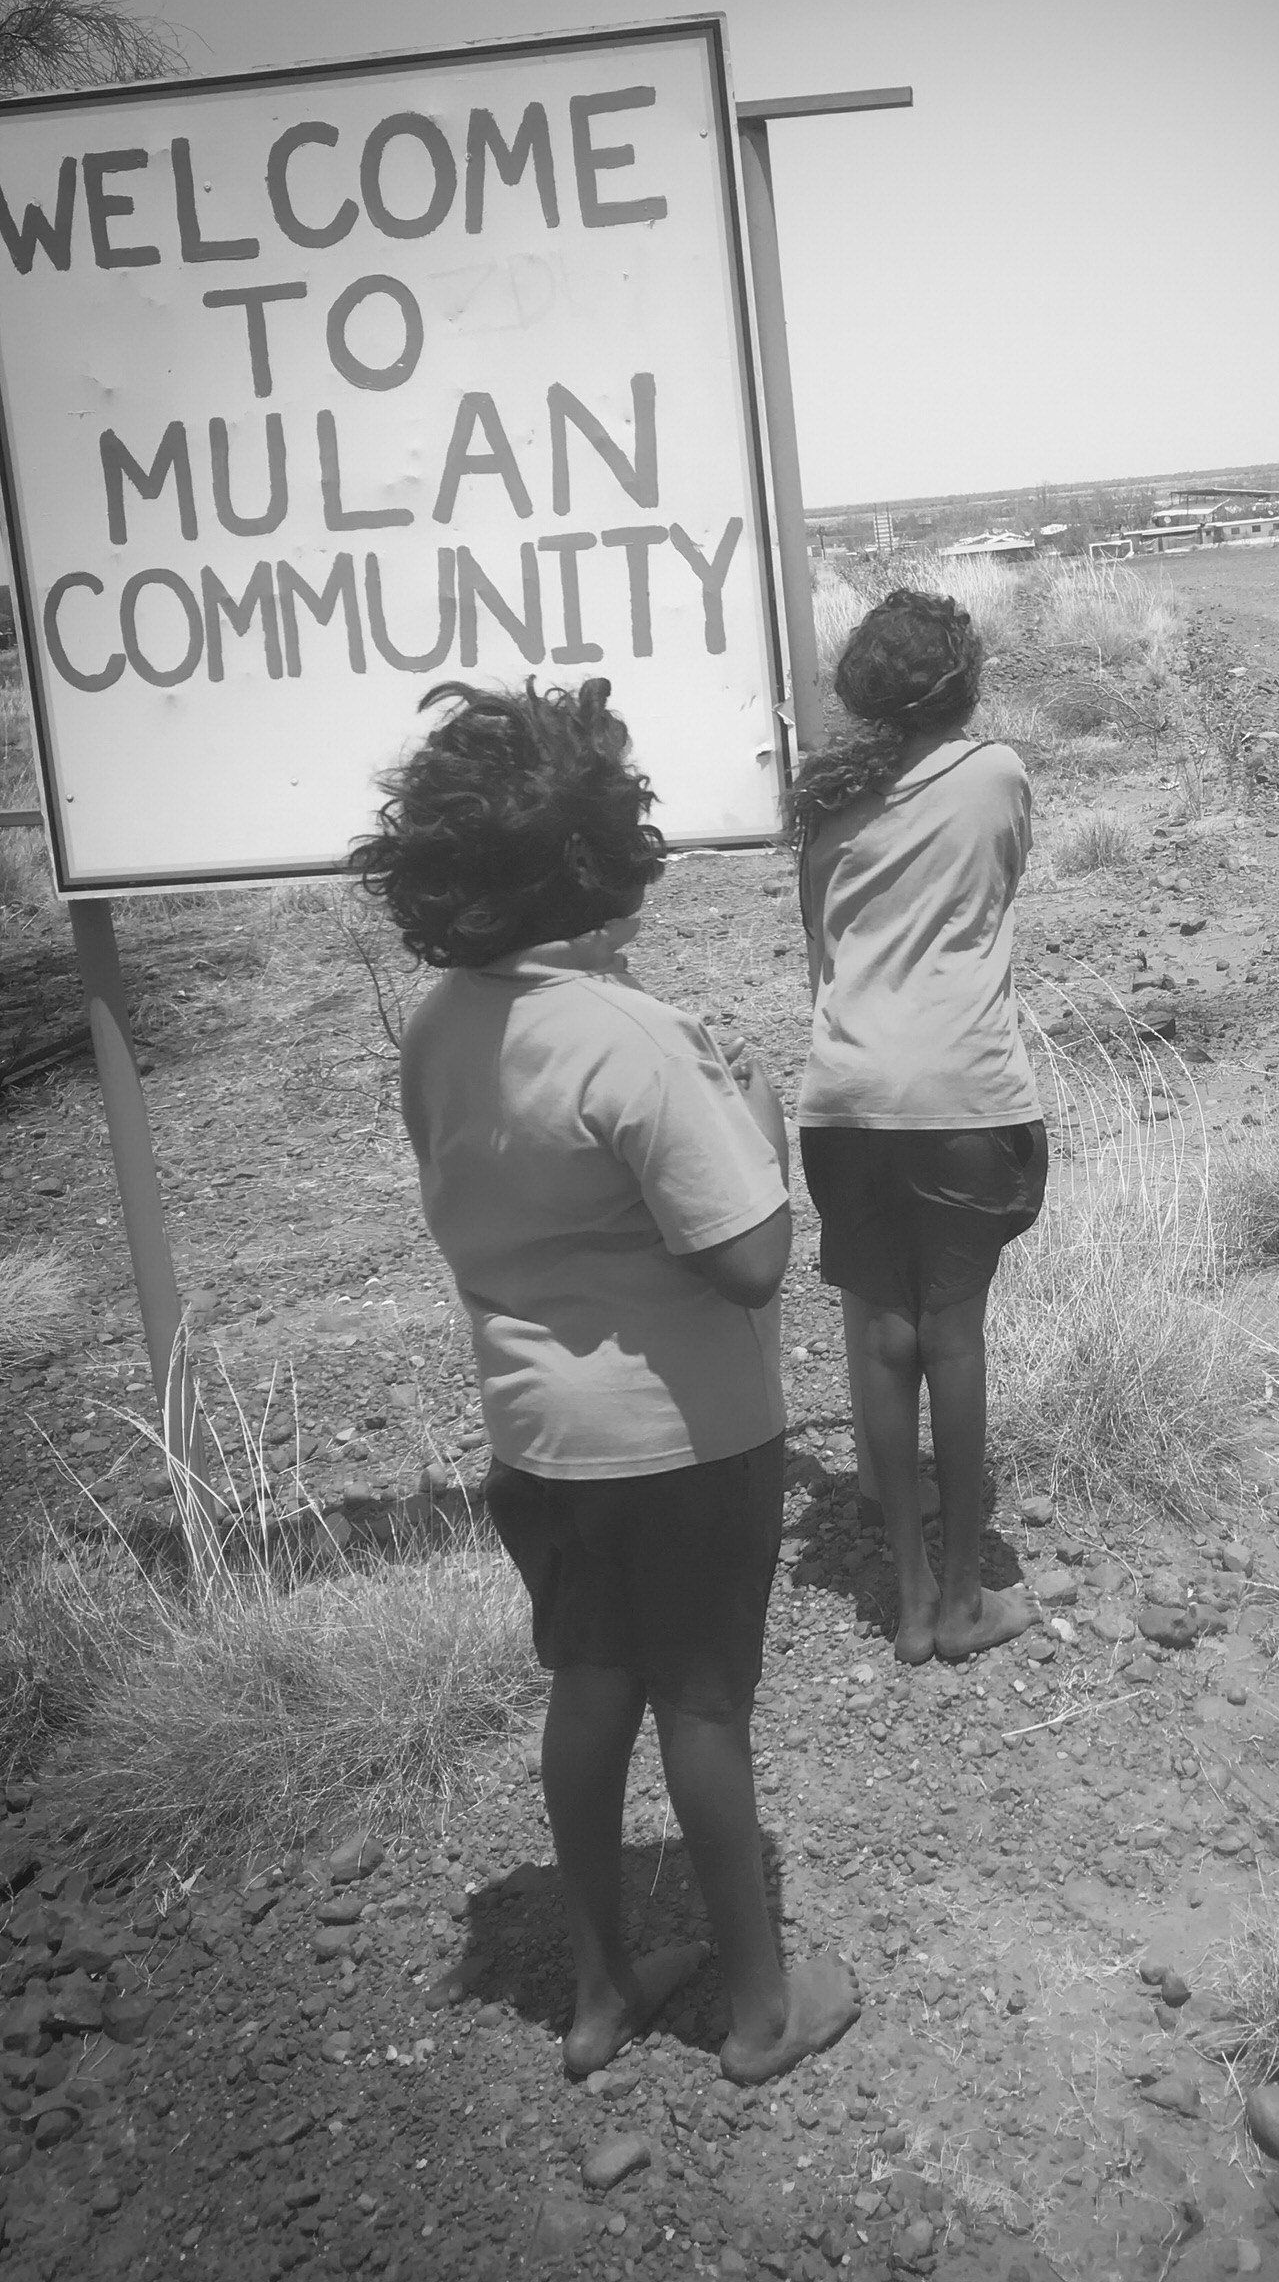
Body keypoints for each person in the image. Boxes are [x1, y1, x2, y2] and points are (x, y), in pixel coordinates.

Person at [351, 676, 859, 2078]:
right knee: (703, 1705)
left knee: (590, 1691)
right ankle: (762, 2014)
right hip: (683, 1444)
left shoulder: (445, 1022)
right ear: (599, 860)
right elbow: (751, 1257)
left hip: (536, 1443)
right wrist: (750, 1119)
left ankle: (601, 1987)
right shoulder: (635, 1038)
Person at [791, 589, 1048, 1666]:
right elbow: (1000, 884)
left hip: (844, 1095)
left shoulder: (823, 809)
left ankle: (904, 1595)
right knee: (954, 1332)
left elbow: (822, 951)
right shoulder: (994, 775)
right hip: (964, 1092)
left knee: (879, 1338)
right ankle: (961, 1598)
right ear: (964, 682)